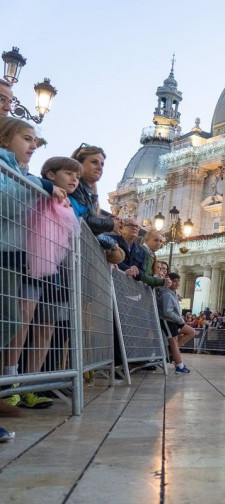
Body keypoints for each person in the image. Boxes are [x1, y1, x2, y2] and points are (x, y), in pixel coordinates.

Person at [1, 119, 67, 410]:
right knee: (11, 322)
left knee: (12, 322)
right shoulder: (8, 169)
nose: (33, 144)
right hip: (7, 253)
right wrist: (39, 185)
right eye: (27, 138)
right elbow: (5, 201)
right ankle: (8, 385)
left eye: (34, 140)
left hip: (16, 256)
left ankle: (9, 386)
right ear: (4, 139)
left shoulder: (17, 170)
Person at [69, 144, 120, 235]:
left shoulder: (88, 192)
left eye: (102, 164)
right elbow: (81, 220)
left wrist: (106, 221)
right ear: (79, 164)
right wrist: (110, 224)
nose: (100, 167)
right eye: (94, 162)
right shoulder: (74, 186)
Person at [157, 273, 194, 373]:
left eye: (178, 281)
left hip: (174, 321)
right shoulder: (167, 294)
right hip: (168, 321)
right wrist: (180, 319)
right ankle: (180, 366)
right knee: (173, 342)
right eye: (175, 281)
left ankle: (171, 352)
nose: (177, 283)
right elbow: (167, 312)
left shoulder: (173, 293)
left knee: (191, 332)